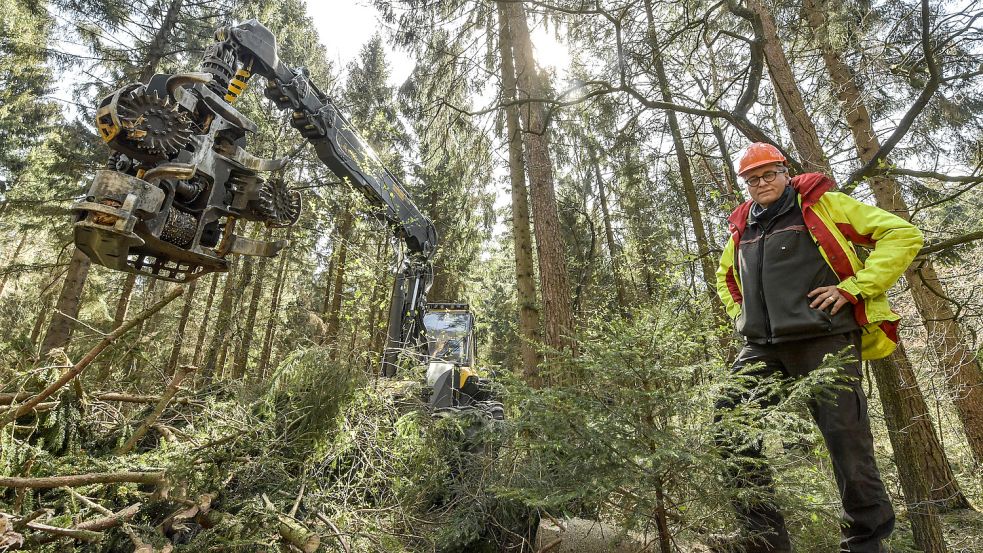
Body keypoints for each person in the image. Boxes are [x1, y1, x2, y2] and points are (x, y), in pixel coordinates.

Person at [712, 142, 923, 553]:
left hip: (825, 340)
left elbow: (901, 233)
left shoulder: (823, 206)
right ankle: (763, 542)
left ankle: (863, 546)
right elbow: (726, 278)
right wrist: (742, 316)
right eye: (752, 179)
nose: (761, 183)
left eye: (769, 174)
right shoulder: (744, 227)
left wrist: (854, 289)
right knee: (730, 427)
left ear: (785, 171)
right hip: (762, 347)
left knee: (847, 443)